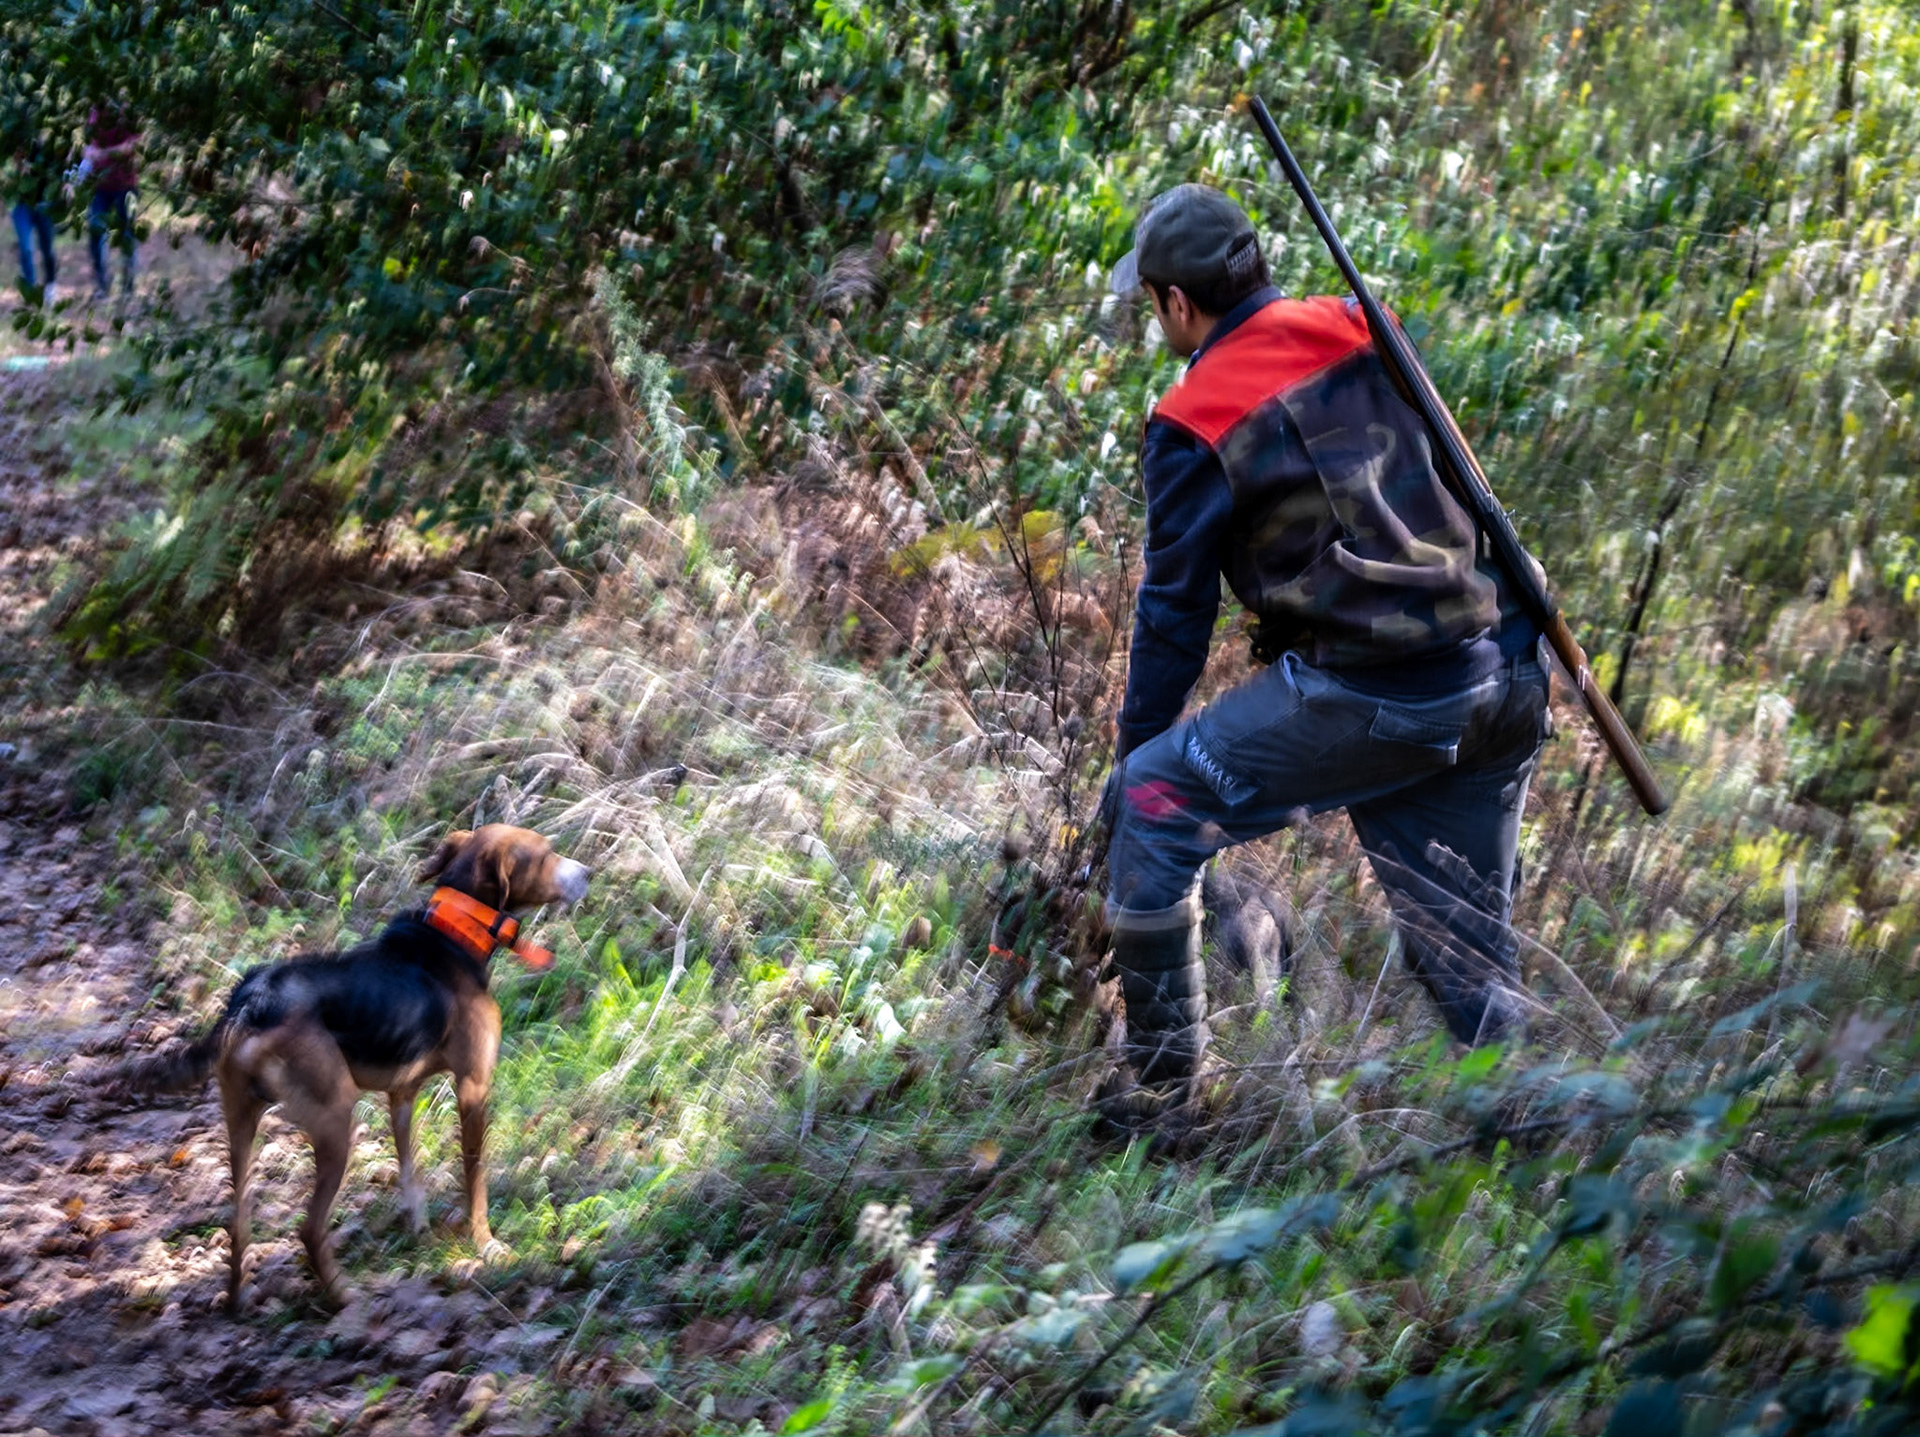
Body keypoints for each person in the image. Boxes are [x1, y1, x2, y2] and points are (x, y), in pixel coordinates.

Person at [1099, 184, 1549, 1131]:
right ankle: (1554, 1152)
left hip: (1386, 693)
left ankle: (1167, 1096)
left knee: (1153, 799)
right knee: (1467, 957)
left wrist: (1131, 756)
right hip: (1503, 669)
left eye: (1152, 303)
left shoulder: (1194, 416)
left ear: (1176, 303)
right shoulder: (1358, 324)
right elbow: (1458, 480)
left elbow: (1176, 611)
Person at [81, 100, 139, 301]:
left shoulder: (124, 112)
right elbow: (89, 143)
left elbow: (130, 147)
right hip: (101, 186)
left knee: (127, 236)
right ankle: (102, 286)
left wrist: (102, 154)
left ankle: (128, 287)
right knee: (95, 230)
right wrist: (87, 154)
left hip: (126, 185)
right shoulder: (94, 112)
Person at [5, 117, 63, 305]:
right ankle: (30, 291)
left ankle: (51, 285)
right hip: (22, 206)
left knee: (47, 248)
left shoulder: (48, 150)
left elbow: (55, 175)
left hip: (44, 205)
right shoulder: (14, 149)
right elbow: (12, 177)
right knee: (26, 248)